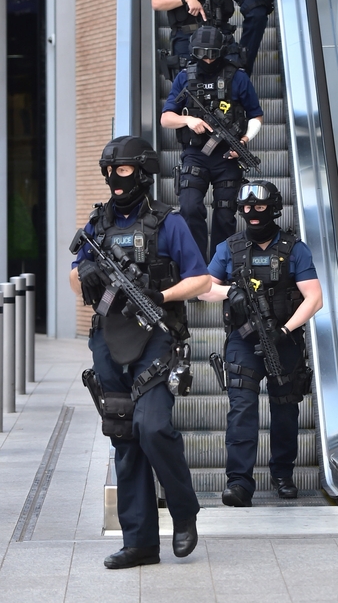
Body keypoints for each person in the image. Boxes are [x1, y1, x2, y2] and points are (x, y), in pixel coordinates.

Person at [69, 136, 211, 569]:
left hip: (156, 337)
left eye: (124, 169)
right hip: (108, 339)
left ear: (144, 173)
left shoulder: (169, 222)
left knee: (152, 427)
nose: (115, 178)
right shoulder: (97, 224)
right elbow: (74, 281)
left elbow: (201, 280)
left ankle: (184, 511)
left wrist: (160, 294)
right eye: (109, 170)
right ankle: (141, 543)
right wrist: (85, 273)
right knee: (124, 436)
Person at [199, 181, 323, 506]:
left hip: (285, 339)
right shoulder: (229, 248)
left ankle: (283, 475)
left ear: (274, 208)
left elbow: (314, 298)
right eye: (247, 208)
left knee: (286, 410)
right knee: (242, 409)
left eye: (261, 207)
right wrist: (231, 292)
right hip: (242, 340)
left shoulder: (295, 249)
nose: (253, 214)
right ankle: (239, 482)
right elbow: (204, 289)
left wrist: (285, 329)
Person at [160, 25, 263, 261]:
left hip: (228, 156)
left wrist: (243, 141)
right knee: (189, 208)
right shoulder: (184, 77)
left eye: (212, 54)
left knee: (225, 214)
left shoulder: (237, 77)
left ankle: (219, 268)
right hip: (196, 154)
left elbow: (256, 116)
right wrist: (188, 120)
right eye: (201, 53)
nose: (207, 59)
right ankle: (196, 266)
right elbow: (166, 118)